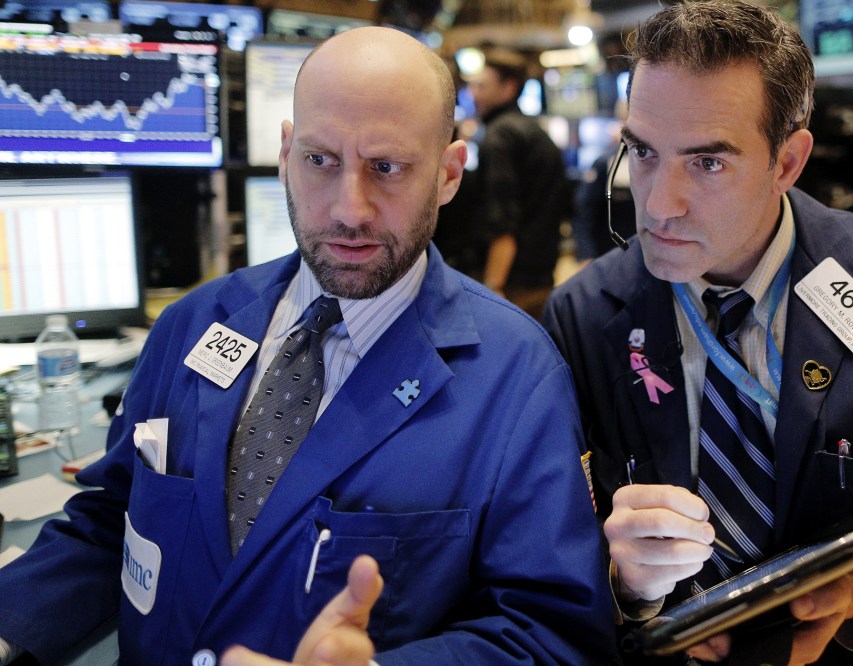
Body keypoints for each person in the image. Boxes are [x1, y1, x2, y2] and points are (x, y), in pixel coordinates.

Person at [0, 27, 618, 665]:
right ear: (287, 153)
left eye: (388, 167)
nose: (350, 209)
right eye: (321, 160)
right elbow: (112, 523)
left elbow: (554, 633)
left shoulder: (517, 376)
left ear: (448, 174)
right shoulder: (191, 323)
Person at [542, 1, 853, 664]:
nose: (658, 204)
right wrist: (626, 588)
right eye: (642, 152)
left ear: (787, 161)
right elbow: (545, 563)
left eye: (707, 163)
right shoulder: (582, 317)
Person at [469, 47, 571, 319]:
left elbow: (502, 219)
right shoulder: (536, 131)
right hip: (542, 275)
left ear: (508, 88)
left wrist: (493, 286)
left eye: (482, 86)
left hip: (511, 284)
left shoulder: (499, 135)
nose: (473, 93)